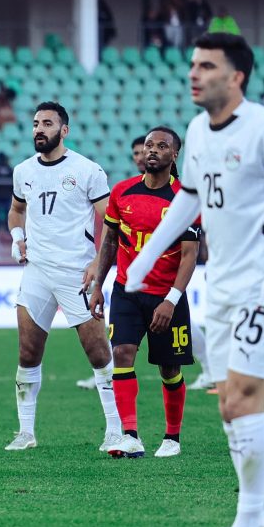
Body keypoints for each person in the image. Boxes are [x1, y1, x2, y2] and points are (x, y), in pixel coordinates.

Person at [124, 33, 264, 527]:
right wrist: (146, 258)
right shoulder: (196, 130)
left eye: (206, 65)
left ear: (235, 77)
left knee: (239, 402)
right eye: (192, 64)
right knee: (234, 411)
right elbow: (188, 200)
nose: (194, 73)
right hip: (226, 289)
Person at [4, 101, 122, 453]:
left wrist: (98, 265)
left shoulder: (88, 171)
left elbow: (111, 223)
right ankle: (26, 432)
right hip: (37, 271)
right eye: (36, 123)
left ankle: (115, 431)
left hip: (77, 274)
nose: (39, 129)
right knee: (27, 351)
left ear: (63, 130)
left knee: (98, 352)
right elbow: (16, 210)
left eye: (48, 123)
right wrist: (16, 237)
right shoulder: (23, 170)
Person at [88, 127, 200, 459]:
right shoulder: (122, 192)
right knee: (121, 354)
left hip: (167, 296)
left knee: (169, 369)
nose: (152, 150)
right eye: (149, 145)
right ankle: (130, 435)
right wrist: (98, 286)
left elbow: (190, 256)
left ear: (174, 155)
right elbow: (109, 243)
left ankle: (172, 438)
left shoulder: (185, 199)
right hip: (127, 291)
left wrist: (171, 300)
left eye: (161, 146)